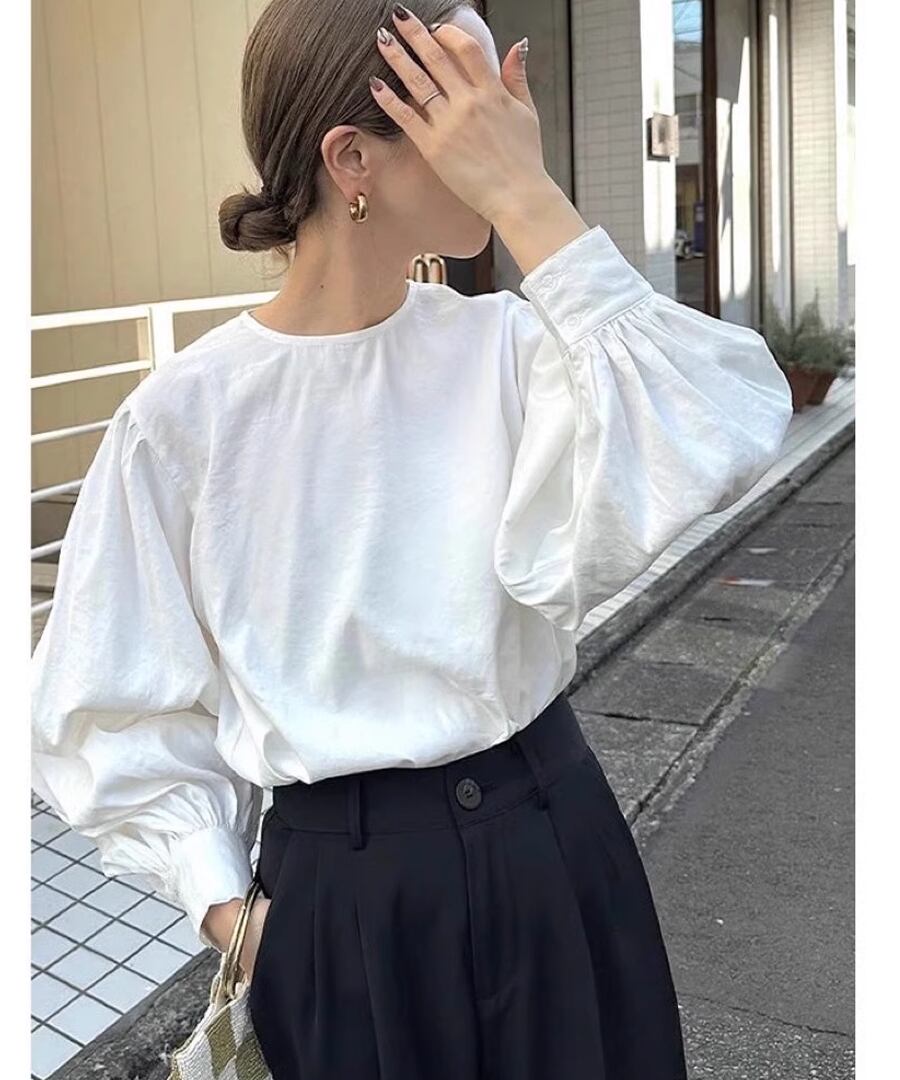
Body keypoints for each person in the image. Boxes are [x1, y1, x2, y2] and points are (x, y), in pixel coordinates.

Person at [31, 2, 794, 1078]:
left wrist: (528, 199)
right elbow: (107, 702)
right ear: (354, 160)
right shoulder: (183, 417)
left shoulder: (511, 346)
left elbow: (721, 423)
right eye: (467, 106)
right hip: (343, 901)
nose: (509, 130)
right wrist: (225, 905)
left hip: (552, 843)